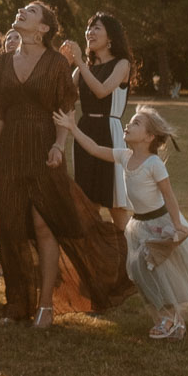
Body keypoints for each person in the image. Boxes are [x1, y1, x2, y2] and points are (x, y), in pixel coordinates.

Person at [0, 2, 133, 327]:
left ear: (44, 29)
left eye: (32, 11)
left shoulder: (55, 64)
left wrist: (58, 145)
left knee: (43, 225)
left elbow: (65, 107)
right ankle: (16, 304)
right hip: (10, 151)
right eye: (24, 10)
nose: (23, 12)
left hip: (43, 150)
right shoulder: (5, 62)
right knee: (10, 227)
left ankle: (45, 305)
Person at [57, 104, 188, 338]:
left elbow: (169, 196)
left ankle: (169, 320)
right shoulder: (125, 155)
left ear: (149, 137)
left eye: (136, 123)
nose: (128, 125)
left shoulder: (154, 164)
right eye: (130, 121)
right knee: (138, 270)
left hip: (160, 223)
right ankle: (171, 318)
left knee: (150, 268)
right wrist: (72, 128)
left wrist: (177, 225)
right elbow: (94, 149)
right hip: (139, 225)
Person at [63, 12, 133, 223]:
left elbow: (102, 91)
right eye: (89, 28)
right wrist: (67, 63)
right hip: (84, 130)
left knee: (114, 199)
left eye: (97, 28)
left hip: (109, 131)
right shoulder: (84, 69)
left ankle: (128, 248)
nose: (90, 32)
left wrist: (80, 63)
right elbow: (62, 94)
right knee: (87, 198)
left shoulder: (122, 64)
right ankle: (98, 252)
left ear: (110, 37)